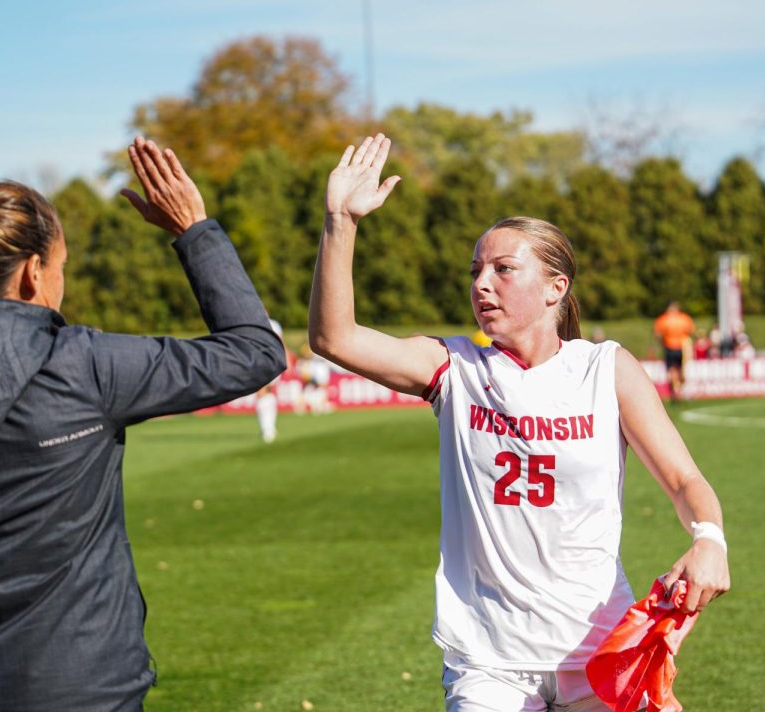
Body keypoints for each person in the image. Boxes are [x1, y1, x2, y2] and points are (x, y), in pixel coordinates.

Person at [0, 138, 286, 711]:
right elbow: (254, 352)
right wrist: (191, 230)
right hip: (83, 690)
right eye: (62, 267)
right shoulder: (85, 365)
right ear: (33, 272)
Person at [309, 134, 729, 712]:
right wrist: (340, 222)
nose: (482, 283)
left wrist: (710, 540)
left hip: (601, 650)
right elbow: (335, 338)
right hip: (489, 663)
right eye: (476, 270)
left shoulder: (605, 370)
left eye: (504, 269)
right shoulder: (453, 366)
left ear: (556, 287)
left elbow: (684, 481)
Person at [653, 301, 695, 402]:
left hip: (669, 347)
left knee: (671, 370)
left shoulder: (663, 319)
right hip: (682, 347)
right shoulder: (684, 318)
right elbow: (691, 331)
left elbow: (657, 334)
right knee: (681, 370)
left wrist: (663, 340)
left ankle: (675, 390)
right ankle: (679, 389)